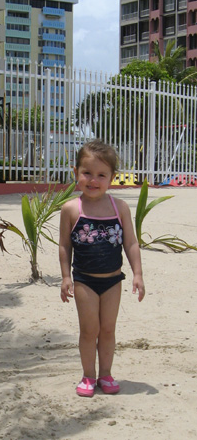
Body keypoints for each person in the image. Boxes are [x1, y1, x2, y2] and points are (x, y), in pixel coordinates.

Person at [59, 140, 145, 397]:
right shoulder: (71, 209)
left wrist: (138, 273)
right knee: (89, 331)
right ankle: (88, 375)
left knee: (107, 330)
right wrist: (65, 277)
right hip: (84, 281)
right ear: (76, 172)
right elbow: (64, 246)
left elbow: (131, 243)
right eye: (87, 173)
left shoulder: (120, 208)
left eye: (101, 175)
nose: (93, 180)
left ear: (112, 178)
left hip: (113, 281)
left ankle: (105, 374)